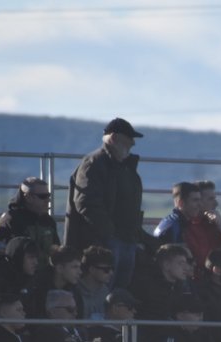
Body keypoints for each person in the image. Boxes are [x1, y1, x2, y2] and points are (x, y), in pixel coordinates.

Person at [65, 118, 151, 290]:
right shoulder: (94, 163)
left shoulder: (120, 166)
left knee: (115, 292)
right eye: (128, 139)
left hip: (123, 240)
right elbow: (85, 203)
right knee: (104, 290)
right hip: (107, 242)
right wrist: (109, 234)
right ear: (113, 138)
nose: (133, 143)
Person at [0, 177, 60, 266]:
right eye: (43, 196)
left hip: (44, 275)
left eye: (48, 196)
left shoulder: (49, 221)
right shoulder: (9, 220)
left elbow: (56, 250)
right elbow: (2, 253)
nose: (48, 200)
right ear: (28, 197)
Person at [183, 181, 221, 279]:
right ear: (198, 201)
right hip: (202, 283)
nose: (216, 203)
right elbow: (201, 259)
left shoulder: (214, 223)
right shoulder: (188, 226)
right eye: (211, 199)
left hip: (218, 280)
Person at [153, 181, 202, 245]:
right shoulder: (172, 228)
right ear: (181, 203)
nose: (200, 205)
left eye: (200, 200)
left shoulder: (183, 223)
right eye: (195, 200)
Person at [74, 245, 115, 320]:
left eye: (112, 269)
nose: (111, 273)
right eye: (106, 270)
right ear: (92, 269)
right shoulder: (75, 290)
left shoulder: (105, 291)